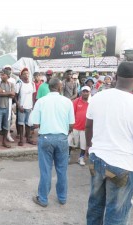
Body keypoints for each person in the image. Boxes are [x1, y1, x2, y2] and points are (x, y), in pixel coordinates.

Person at [85, 61, 133, 225]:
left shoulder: (97, 97)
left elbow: (89, 125)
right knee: (116, 216)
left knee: (94, 207)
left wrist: (89, 146)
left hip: (96, 161)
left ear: (115, 77)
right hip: (122, 166)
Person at [30, 78, 75, 207]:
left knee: (46, 170)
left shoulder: (41, 101)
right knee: (62, 170)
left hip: (46, 138)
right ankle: (62, 197)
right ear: (60, 88)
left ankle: (43, 198)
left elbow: (35, 123)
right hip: (62, 137)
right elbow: (71, 124)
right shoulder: (67, 102)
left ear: (49, 88)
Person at [0, 68, 15, 149]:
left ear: (8, 76)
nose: (1, 76)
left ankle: (4, 142)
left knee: (6, 126)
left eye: (3, 74)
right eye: (1, 74)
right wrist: (7, 93)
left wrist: (3, 92)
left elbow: (13, 95)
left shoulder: (11, 84)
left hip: (8, 109)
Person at [69, 86, 90, 166]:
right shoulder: (76, 101)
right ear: (81, 92)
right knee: (71, 143)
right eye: (84, 91)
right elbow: (72, 114)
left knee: (83, 145)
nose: (85, 93)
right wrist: (70, 126)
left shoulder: (91, 102)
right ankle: (68, 156)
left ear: (89, 92)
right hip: (75, 127)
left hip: (85, 129)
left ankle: (81, 158)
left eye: (87, 91)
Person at [15, 67, 36, 146]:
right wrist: (19, 106)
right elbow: (15, 96)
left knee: (28, 124)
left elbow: (33, 96)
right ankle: (21, 140)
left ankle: (28, 138)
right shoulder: (19, 84)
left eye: (27, 73)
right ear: (21, 76)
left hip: (29, 107)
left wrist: (33, 106)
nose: (26, 75)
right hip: (22, 108)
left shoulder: (32, 84)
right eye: (24, 74)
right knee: (21, 124)